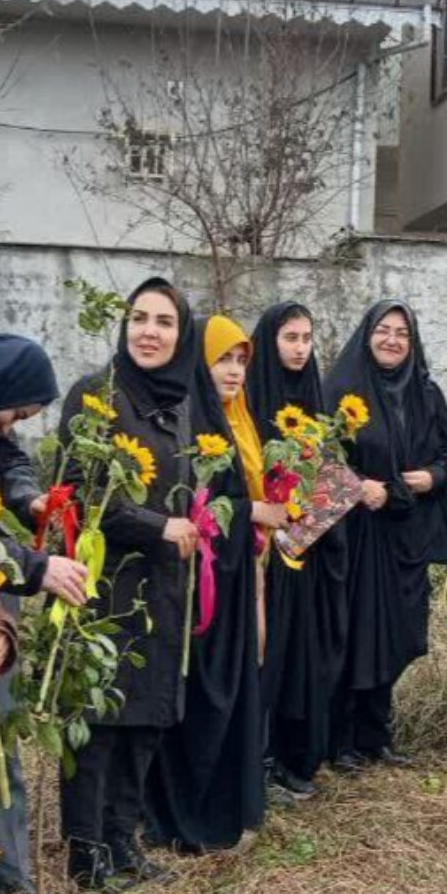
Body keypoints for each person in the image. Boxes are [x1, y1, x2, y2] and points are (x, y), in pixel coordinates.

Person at [56, 278, 201, 890]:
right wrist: (156, 525)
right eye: (139, 318)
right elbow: (82, 492)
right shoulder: (96, 396)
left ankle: (123, 841)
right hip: (106, 584)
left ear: (181, 334)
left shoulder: (181, 405)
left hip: (162, 587)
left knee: (145, 717)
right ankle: (86, 853)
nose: (149, 331)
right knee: (100, 722)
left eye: (164, 321)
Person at [148, 315, 272, 851]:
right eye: (224, 358)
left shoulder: (237, 420)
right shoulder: (190, 419)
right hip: (199, 586)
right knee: (200, 695)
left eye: (242, 360)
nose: (235, 371)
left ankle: (223, 804)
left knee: (232, 690)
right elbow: (194, 507)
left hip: (237, 576)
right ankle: (184, 815)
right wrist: (255, 511)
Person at [327, 300, 447, 768]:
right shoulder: (341, 391)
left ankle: (376, 736)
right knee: (354, 632)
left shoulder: (425, 394)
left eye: (402, 333)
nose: (392, 340)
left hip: (406, 534)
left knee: (396, 633)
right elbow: (318, 459)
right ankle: (341, 739)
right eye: (383, 330)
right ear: (366, 336)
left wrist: (432, 478)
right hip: (355, 534)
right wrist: (361, 487)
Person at [0, 331, 65, 894]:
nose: (15, 422)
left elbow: (14, 463)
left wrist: (28, 498)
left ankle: (10, 874)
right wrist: (32, 567)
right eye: (16, 410)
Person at [248, 302, 349, 800]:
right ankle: (258, 763)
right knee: (267, 657)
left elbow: (330, 475)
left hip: (304, 554)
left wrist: (312, 515)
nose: (300, 348)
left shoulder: (314, 400)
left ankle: (291, 758)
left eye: (307, 338)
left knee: (298, 659)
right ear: (270, 342)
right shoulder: (250, 400)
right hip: (264, 556)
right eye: (290, 337)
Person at [0, 332, 62, 532]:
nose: (7, 428)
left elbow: (11, 463)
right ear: (0, 390)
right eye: (16, 415)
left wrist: (29, 500)